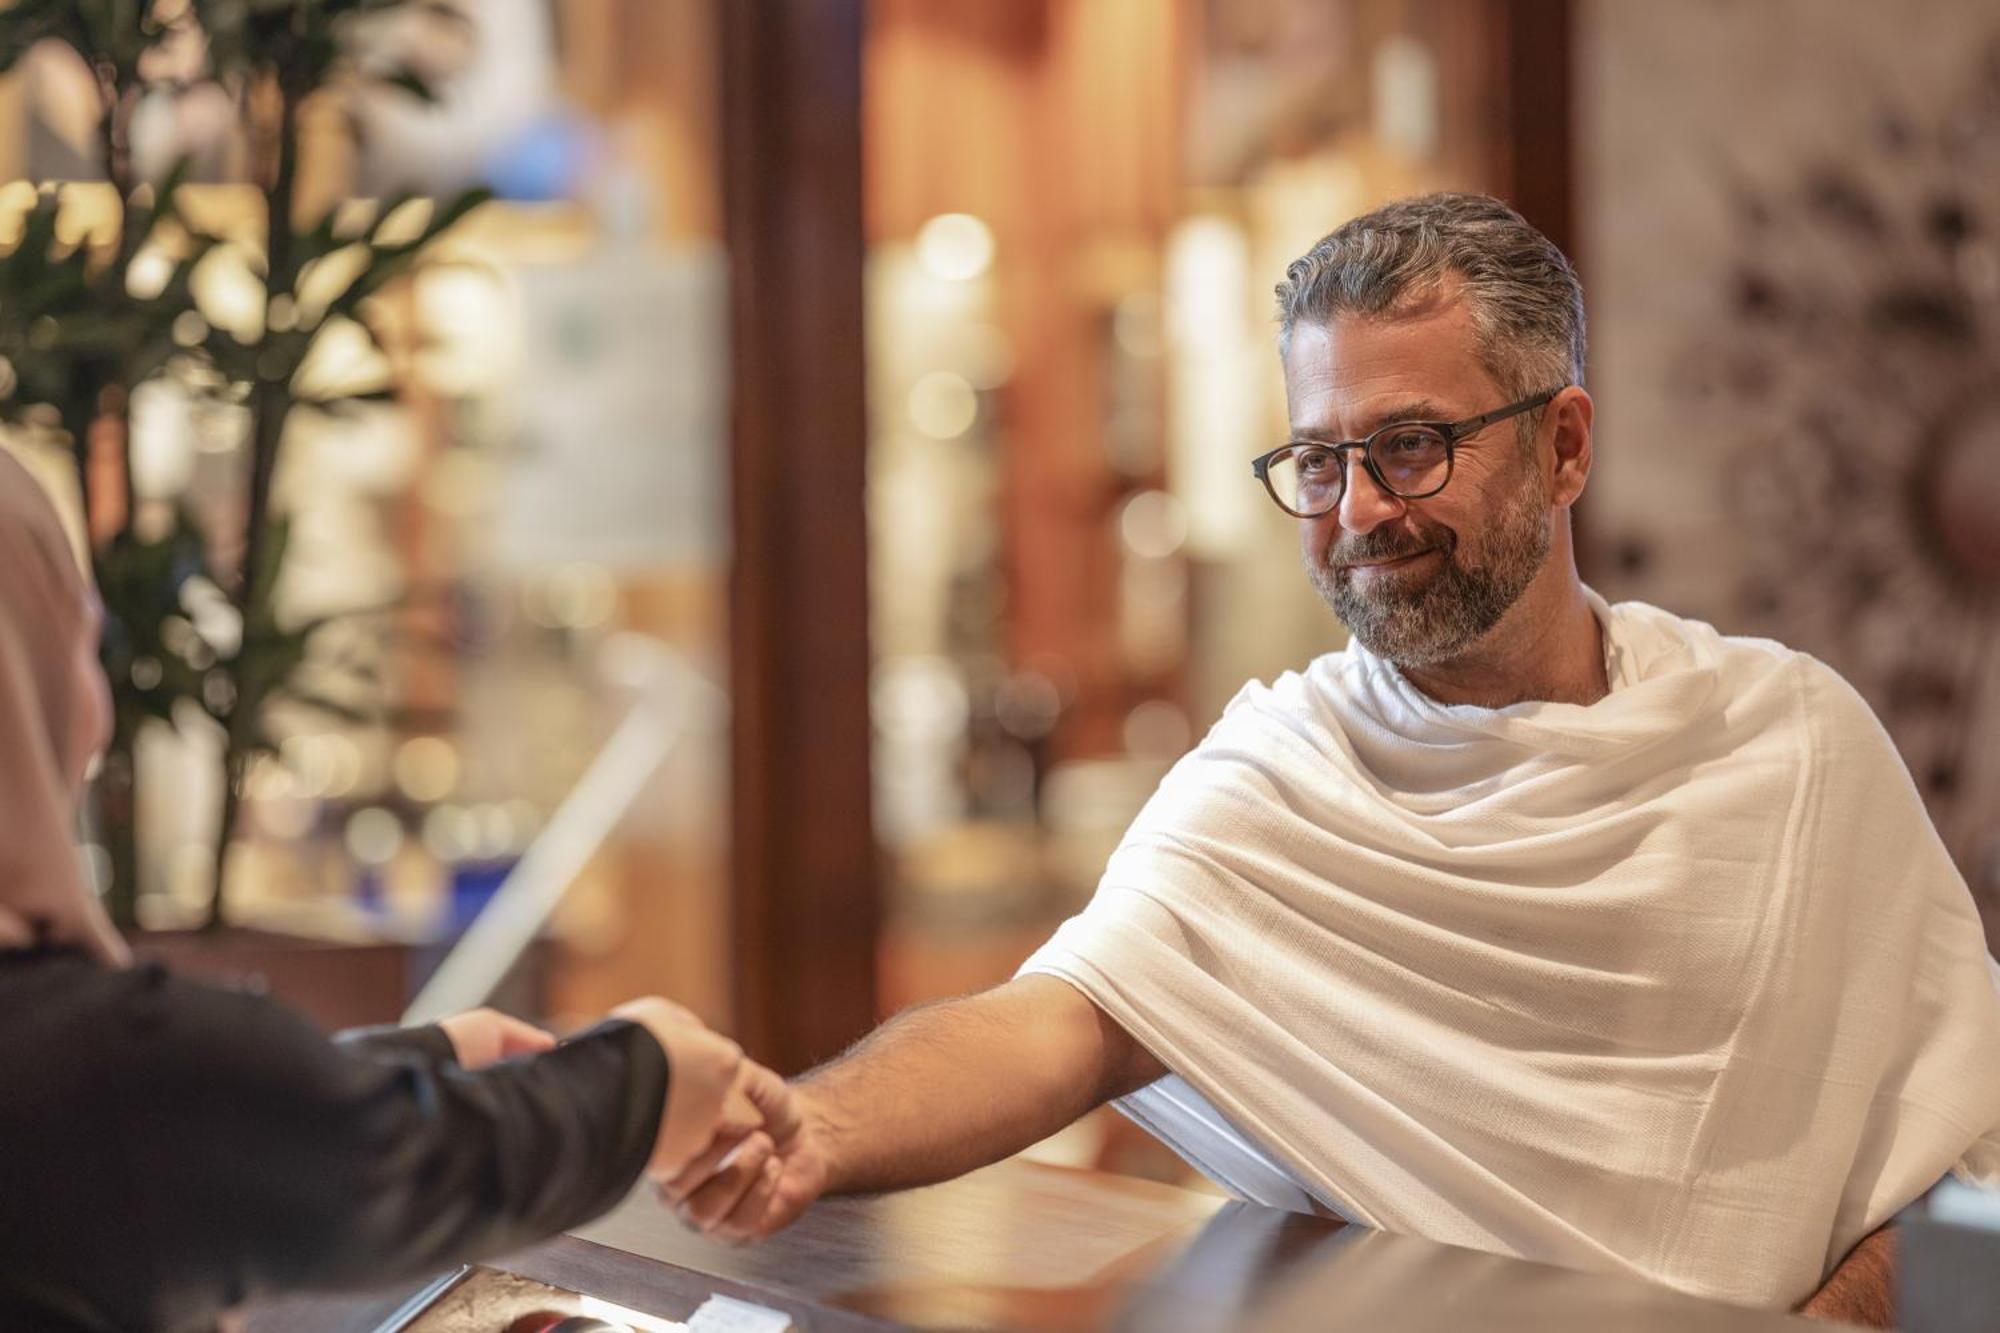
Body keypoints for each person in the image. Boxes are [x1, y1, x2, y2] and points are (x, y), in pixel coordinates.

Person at [668, 194, 2000, 1323]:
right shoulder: (1280, 774)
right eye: (1319, 458)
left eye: (1411, 446)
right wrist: (813, 1125)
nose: (1361, 511)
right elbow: (1060, 1023)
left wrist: (1846, 1314)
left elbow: (1962, 1141)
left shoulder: (1786, 740)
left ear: (1566, 443)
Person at [0, 446, 793, 1331]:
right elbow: (336, 1160)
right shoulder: (102, 1065)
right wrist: (643, 1080)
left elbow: (228, 1134)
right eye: (79, 640)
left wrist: (425, 1064)